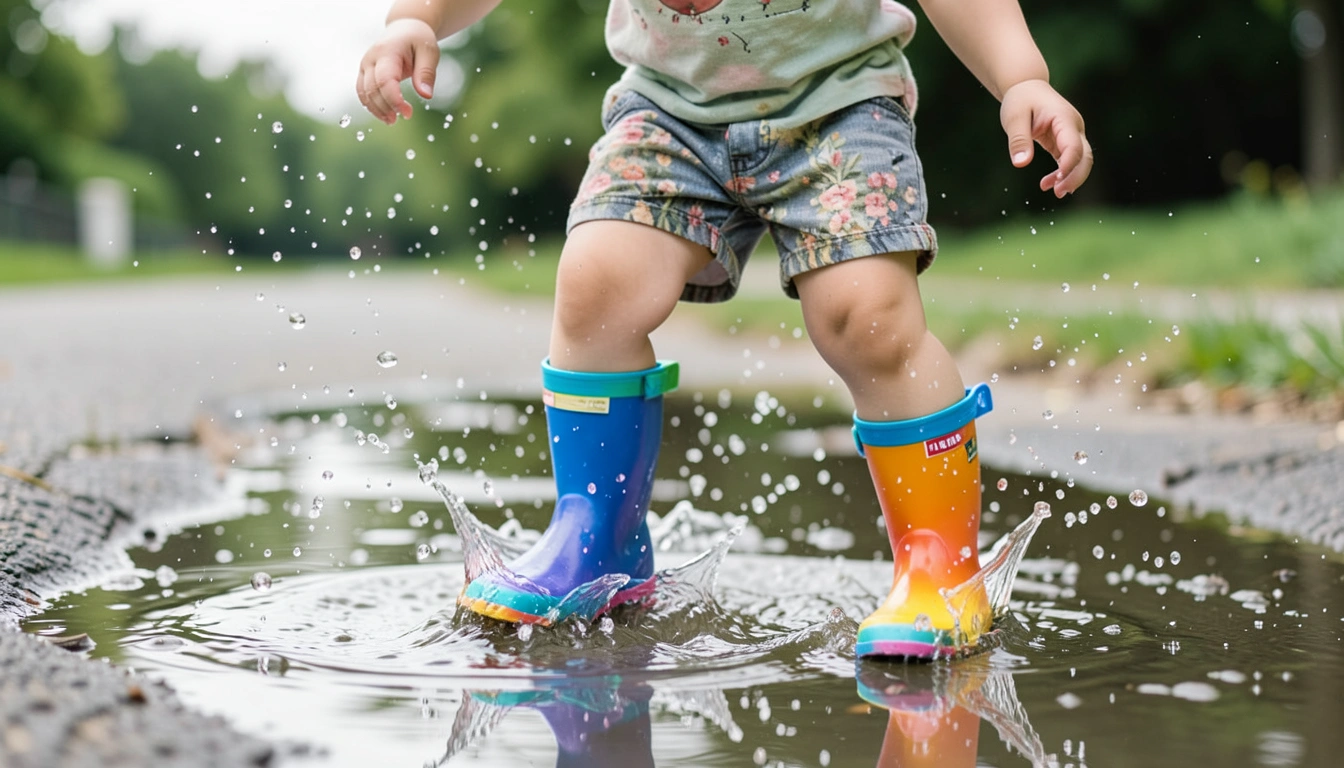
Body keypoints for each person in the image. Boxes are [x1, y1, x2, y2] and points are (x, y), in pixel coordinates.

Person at [357, 0, 1091, 659]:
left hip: (839, 103)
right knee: (595, 285)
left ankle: (941, 567)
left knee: (866, 317)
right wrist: (414, 19)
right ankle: (598, 539)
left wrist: (1019, 75)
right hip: (668, 109)